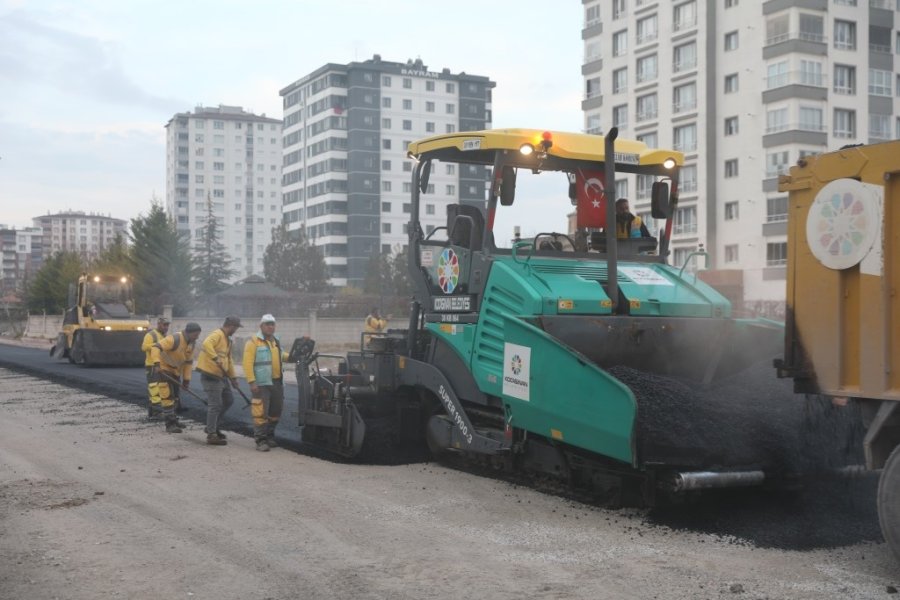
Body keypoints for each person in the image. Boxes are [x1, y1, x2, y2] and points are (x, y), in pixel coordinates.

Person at [242, 314, 290, 452]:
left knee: (276, 411)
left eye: (272, 324)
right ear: (261, 326)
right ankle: (260, 440)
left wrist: (293, 356)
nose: (270, 327)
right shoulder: (253, 341)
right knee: (260, 412)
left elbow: (281, 355)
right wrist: (252, 382)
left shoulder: (276, 341)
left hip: (276, 382)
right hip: (261, 383)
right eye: (267, 324)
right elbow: (247, 363)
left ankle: (269, 436)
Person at [197, 315, 242, 446]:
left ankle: (213, 426)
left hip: (221, 376)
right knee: (215, 405)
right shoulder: (217, 334)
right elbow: (206, 343)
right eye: (236, 327)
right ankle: (211, 434)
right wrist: (215, 358)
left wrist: (233, 378)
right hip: (210, 375)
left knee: (228, 400)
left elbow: (229, 360)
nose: (236, 330)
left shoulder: (228, 340)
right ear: (231, 326)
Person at [150, 322, 201, 434]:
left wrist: (186, 380)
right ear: (189, 333)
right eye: (196, 334)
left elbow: (188, 362)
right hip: (163, 370)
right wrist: (157, 364)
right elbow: (155, 347)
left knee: (176, 397)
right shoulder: (175, 338)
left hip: (175, 371)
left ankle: (174, 420)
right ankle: (170, 425)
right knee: (167, 397)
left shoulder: (191, 343)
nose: (197, 337)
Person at [140, 316, 169, 420]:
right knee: (154, 389)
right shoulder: (151, 334)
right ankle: (156, 412)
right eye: (164, 325)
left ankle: (152, 412)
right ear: (159, 324)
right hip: (151, 366)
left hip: (161, 366)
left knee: (160, 389)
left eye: (167, 325)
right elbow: (143, 347)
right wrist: (157, 345)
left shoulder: (165, 336)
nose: (166, 327)